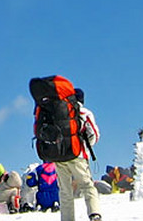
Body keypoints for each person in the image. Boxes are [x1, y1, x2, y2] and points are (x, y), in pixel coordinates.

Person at [55, 87, 101, 221]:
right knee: (87, 185)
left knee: (65, 191)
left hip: (59, 156)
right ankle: (94, 214)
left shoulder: (59, 112)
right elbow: (94, 134)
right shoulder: (84, 112)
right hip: (78, 154)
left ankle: (67, 219)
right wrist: (86, 146)